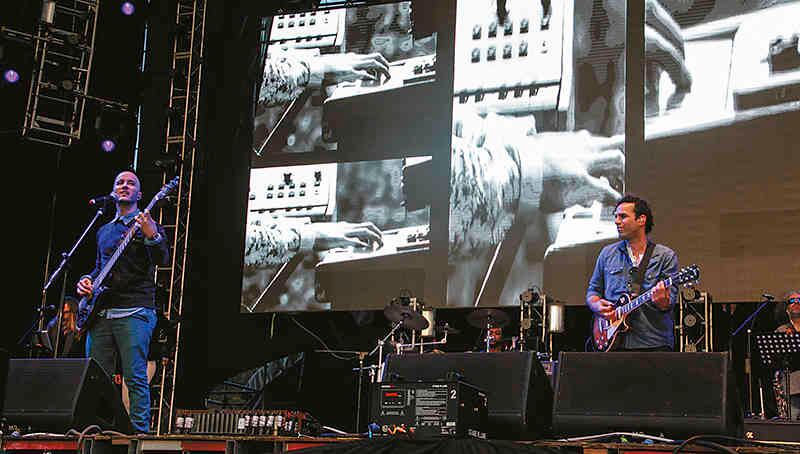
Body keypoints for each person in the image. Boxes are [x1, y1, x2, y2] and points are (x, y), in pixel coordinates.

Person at [76, 170, 170, 433]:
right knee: (96, 378)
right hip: (102, 313)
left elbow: (162, 259)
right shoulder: (104, 231)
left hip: (135, 310)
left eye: (131, 183)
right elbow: (99, 268)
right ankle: (98, 428)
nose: (124, 186)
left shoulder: (146, 225)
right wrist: (86, 281)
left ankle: (140, 432)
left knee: (135, 377)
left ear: (140, 195)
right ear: (114, 191)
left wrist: (152, 235)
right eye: (120, 182)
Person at [585, 194, 679, 351]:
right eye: (615, 217)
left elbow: (668, 304)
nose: (616, 221)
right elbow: (593, 290)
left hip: (653, 343)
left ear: (641, 220)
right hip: (614, 344)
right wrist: (595, 304)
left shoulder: (665, 256)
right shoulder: (607, 254)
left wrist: (661, 300)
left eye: (623, 216)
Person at [772, 290, 800, 420]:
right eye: (792, 301)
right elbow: (775, 359)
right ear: (787, 309)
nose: (796, 303)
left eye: (799, 300)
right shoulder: (781, 331)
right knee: (792, 422)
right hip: (792, 385)